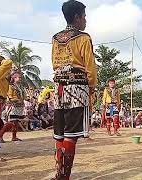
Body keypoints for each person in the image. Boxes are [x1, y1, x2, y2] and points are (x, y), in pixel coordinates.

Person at [51, 0, 97, 179]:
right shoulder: (83, 38)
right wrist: (91, 87)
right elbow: (90, 67)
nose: (86, 20)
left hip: (59, 90)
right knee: (71, 135)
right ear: (77, 17)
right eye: (84, 16)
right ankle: (65, 176)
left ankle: (59, 174)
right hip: (77, 90)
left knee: (60, 135)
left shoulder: (55, 38)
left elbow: (55, 64)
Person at [0, 71, 24, 143]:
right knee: (11, 122)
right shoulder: (11, 86)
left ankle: (14, 136)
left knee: (16, 122)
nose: (19, 78)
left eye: (19, 77)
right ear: (13, 78)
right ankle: (0, 136)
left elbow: (23, 96)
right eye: (17, 77)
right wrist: (16, 100)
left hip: (19, 106)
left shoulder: (20, 87)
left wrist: (22, 100)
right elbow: (9, 96)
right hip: (13, 105)